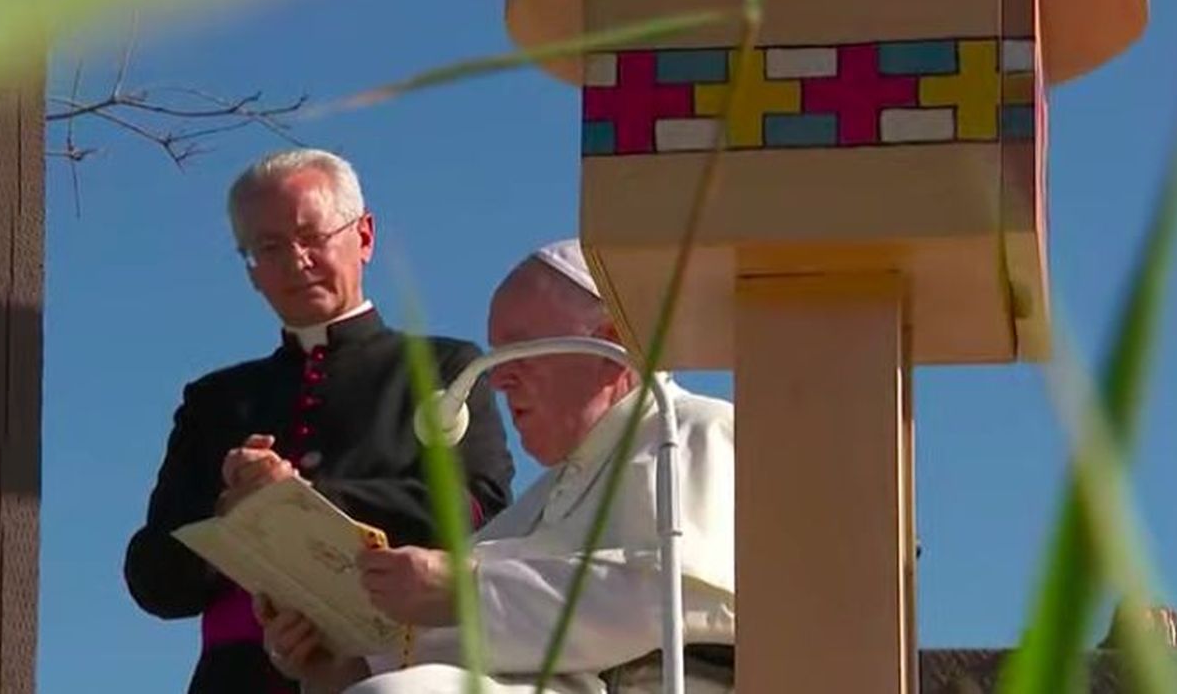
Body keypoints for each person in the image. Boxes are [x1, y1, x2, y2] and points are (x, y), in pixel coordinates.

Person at [257, 239, 737, 693]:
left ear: (611, 346)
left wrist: (466, 592)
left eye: (520, 350)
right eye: (497, 354)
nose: (501, 378)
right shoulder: (535, 503)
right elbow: (463, 626)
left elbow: (685, 592)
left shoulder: (692, 430)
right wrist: (340, 659)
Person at [124, 148, 517, 693]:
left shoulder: (443, 367)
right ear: (251, 272)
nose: (296, 260)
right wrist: (230, 512)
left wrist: (297, 498)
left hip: (394, 672)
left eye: (312, 237)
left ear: (364, 236)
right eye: (268, 247)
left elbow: (479, 509)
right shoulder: (215, 401)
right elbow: (154, 581)